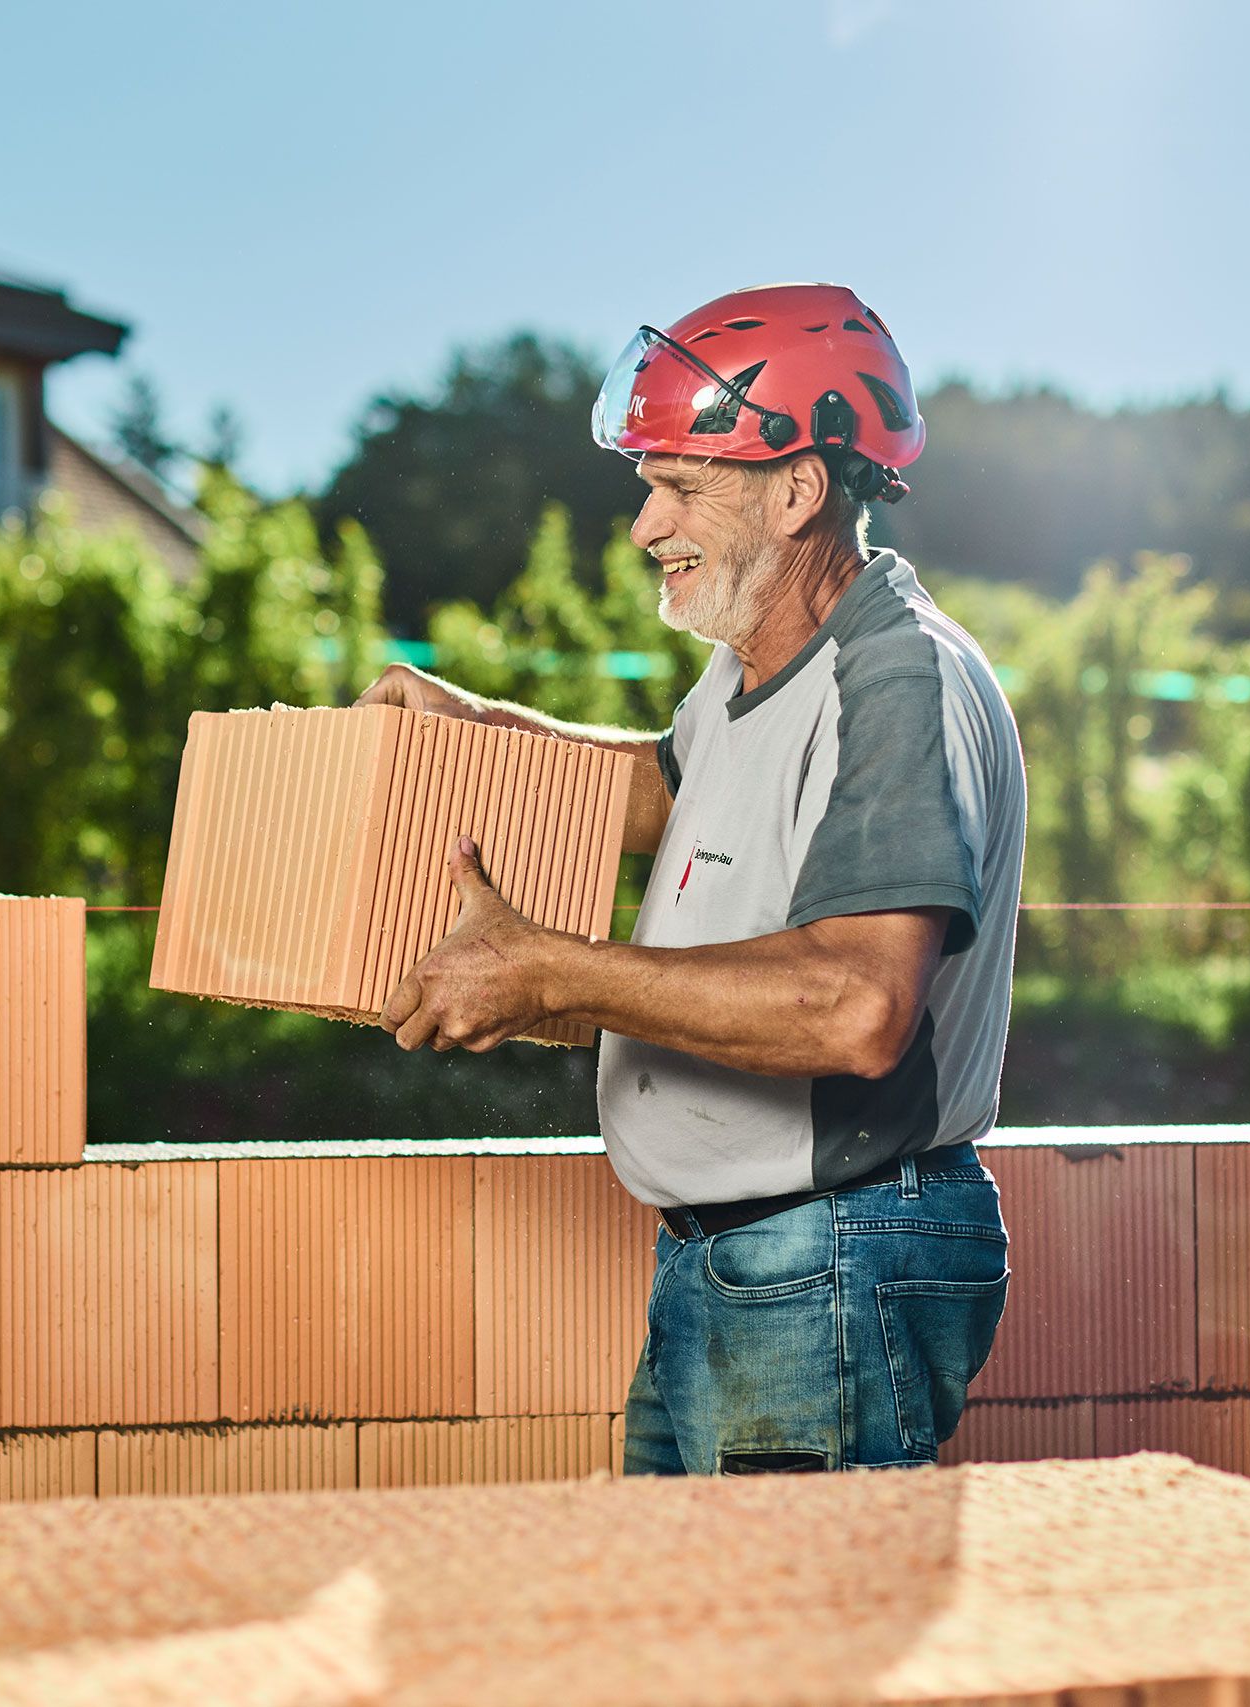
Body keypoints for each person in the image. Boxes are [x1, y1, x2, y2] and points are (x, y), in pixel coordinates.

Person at [356, 282, 1026, 1475]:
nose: (642, 526)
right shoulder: (749, 666)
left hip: (826, 1260)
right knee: (701, 1638)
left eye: (678, 488)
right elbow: (662, 793)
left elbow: (856, 1006)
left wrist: (551, 973)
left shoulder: (893, 683)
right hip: (741, 1263)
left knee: (789, 1648)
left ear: (797, 488)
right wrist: (464, 729)